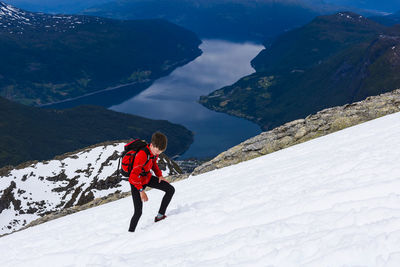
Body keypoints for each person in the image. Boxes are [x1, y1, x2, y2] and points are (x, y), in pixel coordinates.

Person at [128, 131, 175, 232]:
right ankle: (130, 233)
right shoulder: (142, 155)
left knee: (170, 189)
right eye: (157, 151)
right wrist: (141, 191)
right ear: (152, 145)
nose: (158, 154)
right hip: (137, 183)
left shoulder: (153, 152)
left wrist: (159, 175)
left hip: (147, 178)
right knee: (138, 212)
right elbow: (133, 176)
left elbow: (153, 164)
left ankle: (160, 216)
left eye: (160, 152)